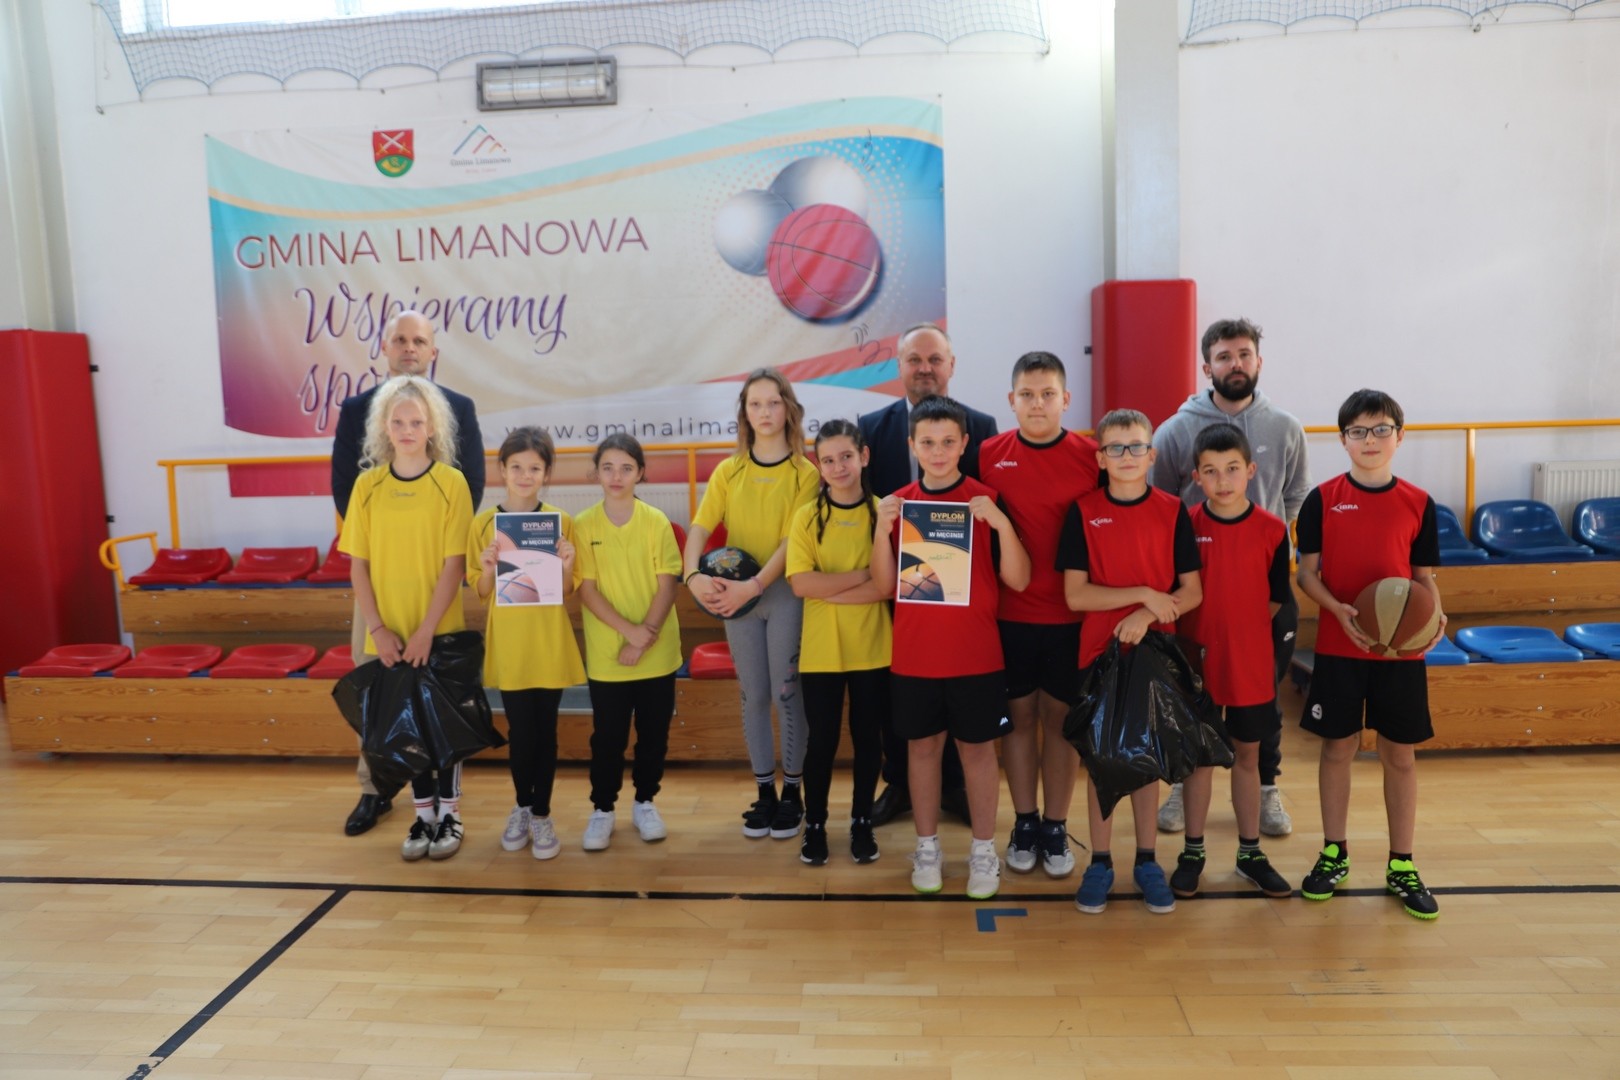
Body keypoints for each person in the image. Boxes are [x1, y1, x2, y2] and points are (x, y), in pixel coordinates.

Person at [1150, 318, 1309, 839]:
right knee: (1192, 699)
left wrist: (1262, 538)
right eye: (1224, 356)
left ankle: (1266, 787)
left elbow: (1296, 496)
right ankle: (1183, 786)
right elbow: (1160, 502)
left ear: (1258, 361)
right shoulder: (1175, 430)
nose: (1235, 363)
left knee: (1262, 696)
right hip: (1198, 588)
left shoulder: (1285, 427)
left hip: (1262, 585)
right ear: (1207, 367)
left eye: (1244, 354)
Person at [869, 395, 1030, 900]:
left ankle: (983, 851)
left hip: (976, 655)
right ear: (912, 445)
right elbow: (882, 586)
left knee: (977, 753)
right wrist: (880, 528)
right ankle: (927, 848)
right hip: (915, 655)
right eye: (927, 442)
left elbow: (1019, 580)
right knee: (921, 750)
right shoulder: (898, 504)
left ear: (964, 444)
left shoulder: (987, 499)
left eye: (947, 442)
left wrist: (1001, 524)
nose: (937, 452)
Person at [1294, 389, 1446, 920]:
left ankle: (1402, 862)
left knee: (1399, 755)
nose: (1370, 439)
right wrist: (1336, 610)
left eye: (1381, 429)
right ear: (1344, 440)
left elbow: (1423, 578)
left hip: (1399, 654)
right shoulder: (1322, 499)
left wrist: (1436, 615)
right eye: (1358, 431)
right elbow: (1305, 574)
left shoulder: (1419, 502)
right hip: (1341, 646)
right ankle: (1334, 852)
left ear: (1399, 437)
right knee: (1337, 749)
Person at [333, 310, 485, 837]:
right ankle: (375, 788)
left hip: (433, 577)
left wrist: (429, 532)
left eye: (419, 340)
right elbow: (343, 487)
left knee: (434, 695)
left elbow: (472, 487)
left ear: (433, 350)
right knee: (380, 689)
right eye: (399, 339)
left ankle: (445, 808)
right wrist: (383, 537)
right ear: (386, 346)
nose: (409, 348)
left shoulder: (458, 410)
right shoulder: (358, 413)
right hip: (379, 579)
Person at [1058, 408, 1202, 915]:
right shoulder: (1083, 511)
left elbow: (1192, 591)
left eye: (1136, 446)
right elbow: (1076, 595)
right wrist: (1142, 593)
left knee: (1146, 760)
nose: (1126, 455)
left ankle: (1146, 861)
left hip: (1155, 654)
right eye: (1115, 447)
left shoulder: (1172, 510)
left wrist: (1147, 613)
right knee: (1101, 762)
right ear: (1100, 457)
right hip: (1099, 655)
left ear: (1152, 454)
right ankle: (1100, 862)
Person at [858, 323, 997, 827]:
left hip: (962, 594)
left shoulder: (981, 424)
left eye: (935, 360)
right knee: (903, 702)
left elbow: (987, 502)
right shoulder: (871, 426)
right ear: (899, 366)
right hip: (896, 587)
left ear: (951, 366)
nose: (925, 369)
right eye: (914, 359)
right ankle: (900, 784)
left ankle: (954, 788)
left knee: (961, 707)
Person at [977, 352, 1099, 880]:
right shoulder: (987, 454)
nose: (1037, 403)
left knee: (1061, 722)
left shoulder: (1091, 456)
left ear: (1065, 400)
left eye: (1048, 394)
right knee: (1020, 720)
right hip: (1009, 617)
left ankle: (1055, 824)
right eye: (1027, 394)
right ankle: (1024, 821)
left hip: (1073, 618)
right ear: (1011, 400)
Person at [684, 369, 819, 840]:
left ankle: (793, 794)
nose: (765, 412)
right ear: (744, 411)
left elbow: (790, 542)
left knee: (786, 693)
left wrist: (757, 585)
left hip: (780, 596)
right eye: (755, 404)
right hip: (737, 600)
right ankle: (765, 793)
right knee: (754, 694)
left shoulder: (805, 473)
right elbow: (700, 527)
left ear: (788, 409)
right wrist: (692, 575)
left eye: (773, 403)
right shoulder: (729, 470)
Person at [1168, 424, 1295, 900]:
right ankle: (1193, 852)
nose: (1222, 480)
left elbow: (1276, 598)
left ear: (1251, 470)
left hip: (1249, 664)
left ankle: (1249, 853)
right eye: (1211, 471)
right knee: (1200, 759)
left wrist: (1242, 634)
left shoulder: (1272, 529)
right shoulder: (1185, 524)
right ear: (1197, 476)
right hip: (1197, 664)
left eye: (1232, 469)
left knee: (1248, 755)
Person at [467, 427, 585, 861]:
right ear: (502, 470)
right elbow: (481, 591)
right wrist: (487, 568)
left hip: (548, 640)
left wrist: (567, 564)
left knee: (546, 731)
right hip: (511, 643)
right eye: (516, 466)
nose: (524, 475)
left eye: (534, 468)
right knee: (520, 732)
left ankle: (541, 813)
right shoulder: (483, 524)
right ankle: (521, 805)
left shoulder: (561, 522)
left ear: (547, 473)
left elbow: (568, 589)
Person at [785, 419, 890, 866]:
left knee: (868, 740)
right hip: (822, 651)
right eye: (827, 460)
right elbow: (800, 584)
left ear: (863, 456)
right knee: (822, 741)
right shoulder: (806, 516)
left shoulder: (883, 512)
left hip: (873, 647)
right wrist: (862, 576)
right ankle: (815, 825)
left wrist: (831, 589)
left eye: (846, 456)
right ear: (819, 466)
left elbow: (887, 587)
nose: (838, 467)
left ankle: (862, 822)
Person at [574, 433, 683, 851]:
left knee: (654, 735)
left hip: (657, 652)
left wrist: (643, 637)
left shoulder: (656, 521)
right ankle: (602, 809)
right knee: (608, 738)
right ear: (596, 474)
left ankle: (645, 802)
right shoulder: (583, 525)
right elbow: (587, 590)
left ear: (640, 473)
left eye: (625, 468)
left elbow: (668, 585)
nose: (616, 476)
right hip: (608, 656)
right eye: (608, 468)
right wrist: (629, 633)